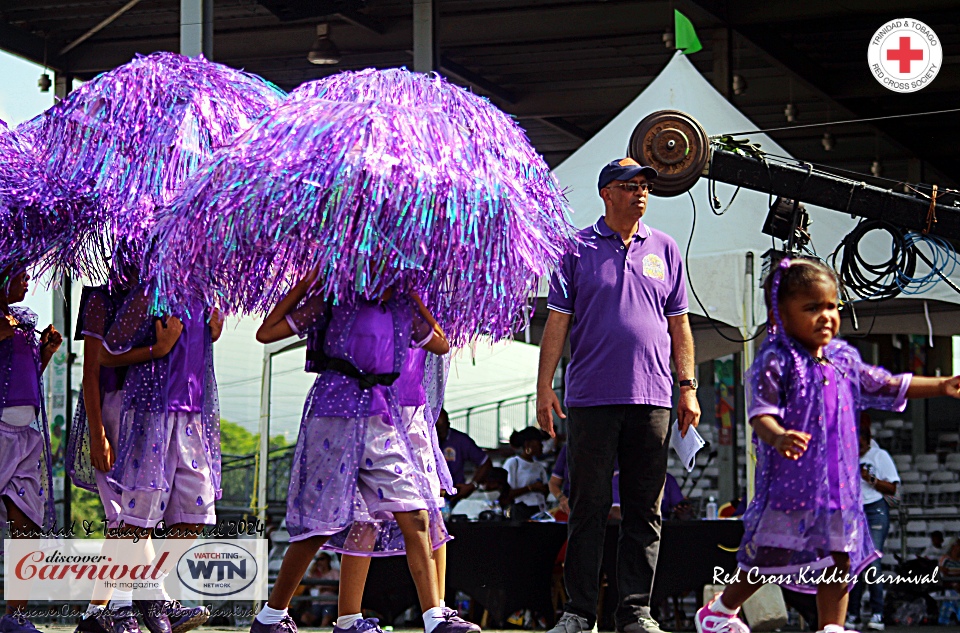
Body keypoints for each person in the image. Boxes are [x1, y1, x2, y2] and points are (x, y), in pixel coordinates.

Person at [695, 257, 960, 633]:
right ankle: (720, 610)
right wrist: (778, 435)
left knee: (840, 557)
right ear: (781, 314)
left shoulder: (844, 359)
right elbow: (760, 414)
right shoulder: (776, 360)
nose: (826, 316)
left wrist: (941, 384)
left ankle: (831, 627)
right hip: (790, 487)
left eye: (832, 306)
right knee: (771, 553)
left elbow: (886, 384)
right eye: (811, 308)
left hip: (838, 487)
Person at [250, 272, 477, 633]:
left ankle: (435, 618)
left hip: (383, 418)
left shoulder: (402, 303)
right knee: (318, 526)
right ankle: (271, 616)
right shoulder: (334, 297)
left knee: (416, 511)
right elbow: (267, 332)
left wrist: (414, 296)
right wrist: (308, 282)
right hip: (335, 415)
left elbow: (441, 344)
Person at [538, 158, 700, 633]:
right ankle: (578, 612)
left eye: (645, 186)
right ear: (606, 192)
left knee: (643, 508)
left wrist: (687, 387)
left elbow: (680, 325)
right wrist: (544, 386)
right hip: (589, 397)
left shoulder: (665, 248)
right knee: (586, 505)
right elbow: (557, 321)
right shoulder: (573, 248)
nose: (641, 193)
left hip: (653, 397)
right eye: (630, 186)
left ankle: (635, 613)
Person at [100, 286, 224, 633]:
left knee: (197, 512)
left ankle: (148, 589)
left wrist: (213, 330)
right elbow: (107, 354)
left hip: (193, 413)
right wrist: (159, 348)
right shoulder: (148, 293)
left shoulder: (205, 297)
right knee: (139, 515)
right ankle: (121, 606)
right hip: (151, 412)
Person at [0, 266, 61, 633]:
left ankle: (15, 617)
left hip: (25, 438)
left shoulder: (20, 320)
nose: (27, 281)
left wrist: (46, 353)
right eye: (19, 274)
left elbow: (24, 375)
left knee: (26, 523)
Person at [847, 414, 900, 631]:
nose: (857, 450)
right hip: (854, 511)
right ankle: (854, 613)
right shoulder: (849, 456)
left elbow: (892, 489)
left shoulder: (879, 456)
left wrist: (870, 479)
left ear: (868, 442)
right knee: (855, 563)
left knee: (872, 560)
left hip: (875, 509)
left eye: (860, 446)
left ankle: (878, 613)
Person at [436, 409, 491, 504]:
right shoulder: (422, 440)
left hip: (454, 495)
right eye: (435, 429)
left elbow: (485, 462)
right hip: (429, 496)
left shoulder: (460, 440)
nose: (438, 433)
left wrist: (472, 485)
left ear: (448, 425)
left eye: (441, 429)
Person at [504, 427, 550, 521]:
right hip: (521, 511)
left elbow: (546, 490)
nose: (542, 446)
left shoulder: (539, 467)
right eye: (539, 442)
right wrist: (531, 488)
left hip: (538, 511)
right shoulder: (513, 463)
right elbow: (506, 493)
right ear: (528, 444)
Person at [293, 553, 340, 628]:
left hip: (330, 602)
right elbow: (307, 587)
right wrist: (311, 571)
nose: (319, 561)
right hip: (315, 602)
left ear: (328, 560)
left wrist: (325, 588)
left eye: (322, 559)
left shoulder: (334, 572)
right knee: (305, 617)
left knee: (326, 619)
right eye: (317, 559)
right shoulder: (315, 573)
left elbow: (337, 587)